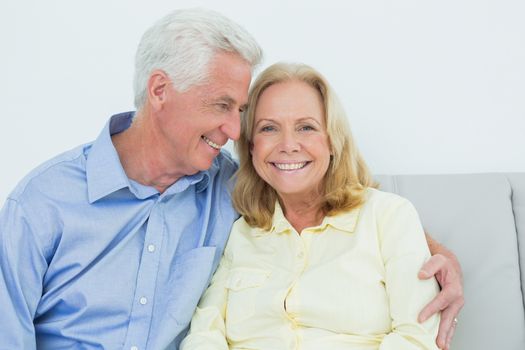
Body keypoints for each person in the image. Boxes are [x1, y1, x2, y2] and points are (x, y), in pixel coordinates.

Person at [0, 8, 462, 350]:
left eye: (241, 112)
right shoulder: (43, 203)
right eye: (222, 105)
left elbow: (336, 209)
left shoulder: (228, 184)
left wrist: (441, 257)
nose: (233, 130)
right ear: (160, 90)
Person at [180, 63, 442, 349]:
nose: (288, 144)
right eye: (269, 128)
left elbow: (416, 340)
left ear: (332, 141)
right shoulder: (240, 231)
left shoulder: (389, 217)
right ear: (252, 147)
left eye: (306, 127)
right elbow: (205, 334)